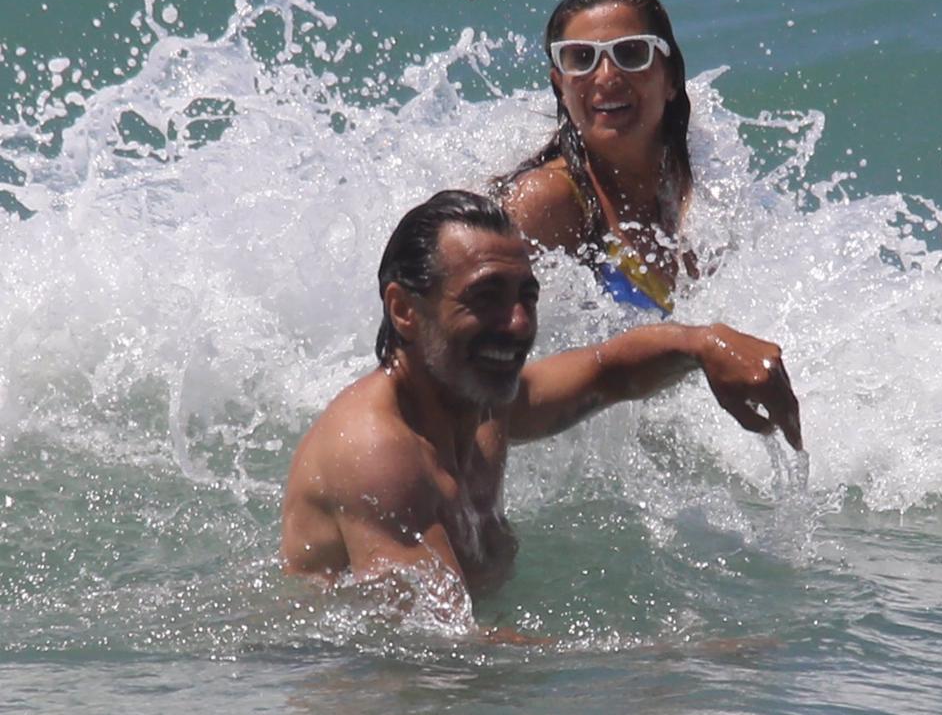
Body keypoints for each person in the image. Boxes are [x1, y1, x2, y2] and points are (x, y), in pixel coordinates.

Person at [280, 190, 801, 627]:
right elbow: (440, 649)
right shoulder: (376, 453)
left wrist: (704, 345)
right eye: (485, 297)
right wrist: (662, 670)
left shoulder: (478, 402)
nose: (517, 324)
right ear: (403, 310)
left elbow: (605, 372)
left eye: (526, 297)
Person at [494, 0, 693, 315]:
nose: (605, 76)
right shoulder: (547, 202)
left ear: (671, 77)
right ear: (560, 85)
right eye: (582, 58)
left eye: (631, 53)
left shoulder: (705, 191)